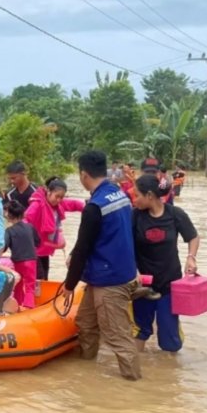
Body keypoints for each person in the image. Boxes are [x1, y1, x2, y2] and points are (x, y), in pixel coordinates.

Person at [60, 150, 142, 381]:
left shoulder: (94, 207)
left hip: (110, 280)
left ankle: (135, 386)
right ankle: (87, 374)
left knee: (118, 337)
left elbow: (84, 248)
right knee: (85, 323)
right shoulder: (119, 194)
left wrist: (69, 285)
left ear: (84, 175)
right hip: (112, 272)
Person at [131, 174, 200, 352]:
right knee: (140, 331)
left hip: (169, 284)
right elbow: (124, 247)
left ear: (149, 196)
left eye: (137, 195)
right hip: (142, 287)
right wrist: (132, 271)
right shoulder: (135, 217)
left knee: (169, 341)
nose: (134, 199)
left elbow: (192, 237)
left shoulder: (175, 214)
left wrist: (191, 257)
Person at [25, 177, 85, 281]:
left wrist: (91, 208)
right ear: (48, 191)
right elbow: (26, 219)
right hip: (33, 251)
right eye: (57, 196)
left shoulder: (58, 204)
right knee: (39, 280)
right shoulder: (37, 205)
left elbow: (75, 204)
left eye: (61, 197)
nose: (59, 200)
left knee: (44, 279)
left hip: (43, 251)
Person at [2, 200, 40, 309]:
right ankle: (28, 307)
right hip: (31, 260)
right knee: (30, 286)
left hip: (18, 261)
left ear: (9, 216)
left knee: (18, 284)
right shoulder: (30, 227)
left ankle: (18, 306)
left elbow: (4, 248)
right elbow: (38, 242)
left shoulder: (9, 231)